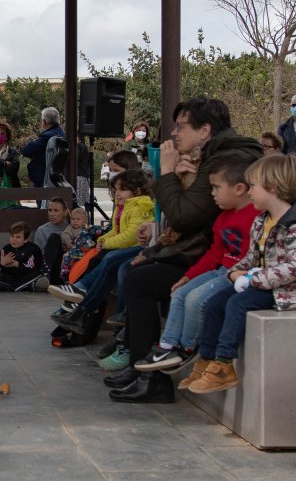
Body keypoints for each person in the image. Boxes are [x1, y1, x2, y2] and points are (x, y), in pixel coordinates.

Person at [107, 97, 262, 402]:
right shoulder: (216, 155)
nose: (174, 134)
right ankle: (140, 367)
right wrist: (182, 178)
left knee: (138, 280)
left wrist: (166, 173)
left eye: (181, 127)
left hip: (219, 259)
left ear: (204, 130)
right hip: (205, 251)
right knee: (134, 270)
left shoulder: (224, 161)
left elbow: (184, 217)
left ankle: (152, 377)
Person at [182, 154, 296, 394]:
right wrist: (234, 272)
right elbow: (251, 256)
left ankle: (223, 365)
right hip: (268, 283)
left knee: (237, 304)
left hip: (295, 291)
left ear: (272, 187)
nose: (249, 191)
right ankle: (205, 359)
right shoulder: (263, 220)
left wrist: (253, 279)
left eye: (253, 186)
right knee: (216, 303)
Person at [134, 152, 260, 373]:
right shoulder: (223, 217)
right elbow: (214, 254)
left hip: (238, 275)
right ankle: (167, 345)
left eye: (216, 188)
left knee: (195, 300)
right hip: (222, 270)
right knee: (179, 293)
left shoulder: (255, 216)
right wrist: (188, 277)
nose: (212, 194)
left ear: (239, 188)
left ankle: (187, 347)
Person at [51, 171, 155, 345]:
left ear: (137, 191)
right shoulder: (124, 206)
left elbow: (131, 236)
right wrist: (102, 240)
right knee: (101, 259)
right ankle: (78, 306)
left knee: (113, 262)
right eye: (115, 190)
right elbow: (116, 230)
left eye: (121, 190)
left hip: (139, 247)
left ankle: (81, 297)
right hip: (129, 248)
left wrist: (106, 243)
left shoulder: (139, 206)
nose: (117, 194)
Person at [32, 198, 81, 286]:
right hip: (51, 271)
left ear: (65, 212)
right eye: (50, 210)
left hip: (68, 269)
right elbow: (37, 257)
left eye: (56, 210)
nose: (52, 214)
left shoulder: (73, 229)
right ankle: (45, 276)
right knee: (54, 238)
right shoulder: (42, 230)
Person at [0, 221, 44, 291]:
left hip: (27, 276)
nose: (14, 239)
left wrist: (16, 264)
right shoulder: (6, 248)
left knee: (37, 274)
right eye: (12, 236)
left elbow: (32, 269)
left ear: (25, 240)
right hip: (12, 277)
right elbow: (3, 271)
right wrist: (2, 264)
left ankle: (13, 287)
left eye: (18, 237)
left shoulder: (32, 249)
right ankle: (25, 287)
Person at [22, 107, 64, 187]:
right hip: (58, 178)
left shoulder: (47, 137)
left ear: (44, 121)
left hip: (44, 179)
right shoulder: (62, 133)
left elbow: (27, 150)